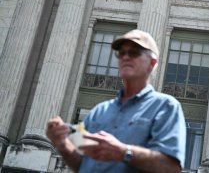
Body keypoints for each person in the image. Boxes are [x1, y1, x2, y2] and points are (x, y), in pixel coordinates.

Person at [46, 29, 186, 173]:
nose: (125, 57)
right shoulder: (99, 111)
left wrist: (123, 151)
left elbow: (171, 167)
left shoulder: (166, 106)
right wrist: (62, 144)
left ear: (152, 63)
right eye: (121, 53)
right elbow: (82, 164)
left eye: (134, 52)